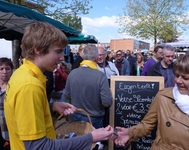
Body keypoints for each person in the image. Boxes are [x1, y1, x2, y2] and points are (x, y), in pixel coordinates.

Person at [4, 22, 114, 150]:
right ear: (38, 49)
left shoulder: (21, 74)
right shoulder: (29, 85)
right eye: (58, 52)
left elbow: (21, 113)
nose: (62, 57)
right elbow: (38, 147)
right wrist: (91, 137)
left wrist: (50, 107)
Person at [112, 51, 189, 149]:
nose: (178, 81)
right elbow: (147, 124)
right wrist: (130, 133)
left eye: (185, 78)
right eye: (177, 75)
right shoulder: (164, 96)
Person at [64, 45, 113, 129]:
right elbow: (107, 102)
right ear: (97, 58)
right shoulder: (100, 76)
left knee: (79, 141)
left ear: (83, 56)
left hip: (76, 116)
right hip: (95, 119)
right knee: (94, 142)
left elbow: (66, 95)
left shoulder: (73, 73)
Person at [0, 58, 13, 150]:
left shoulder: (14, 86)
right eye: (1, 69)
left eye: (7, 68)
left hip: (7, 128)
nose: (4, 71)